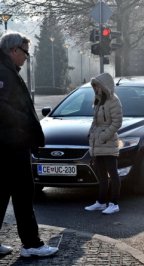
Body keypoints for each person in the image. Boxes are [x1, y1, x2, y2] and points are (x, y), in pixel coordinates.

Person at [0, 31, 59, 257]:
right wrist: (25, 124)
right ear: (13, 50)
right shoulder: (4, 73)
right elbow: (4, 109)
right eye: (25, 52)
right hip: (12, 144)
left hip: (8, 144)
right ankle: (32, 245)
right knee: (24, 194)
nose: (26, 57)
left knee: (3, 193)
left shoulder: (7, 70)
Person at [85, 72, 123, 215]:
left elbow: (117, 122)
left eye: (97, 85)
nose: (95, 88)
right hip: (98, 143)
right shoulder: (98, 100)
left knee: (113, 174)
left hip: (108, 143)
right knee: (101, 175)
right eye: (93, 86)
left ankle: (114, 203)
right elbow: (95, 121)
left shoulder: (114, 101)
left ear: (103, 86)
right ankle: (101, 202)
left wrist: (103, 136)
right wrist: (91, 134)